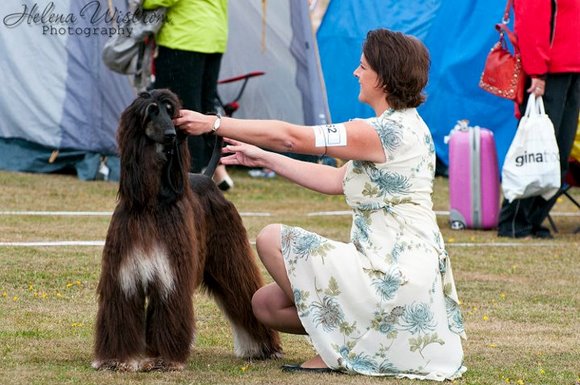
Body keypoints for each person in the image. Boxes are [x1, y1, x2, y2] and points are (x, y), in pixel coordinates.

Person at [175, 29, 466, 380]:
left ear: (383, 78)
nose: (356, 73)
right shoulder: (405, 128)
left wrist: (215, 123)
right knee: (264, 305)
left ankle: (336, 348)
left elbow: (292, 137)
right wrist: (265, 158)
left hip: (391, 272)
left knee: (271, 238)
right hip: (404, 274)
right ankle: (355, 339)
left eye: (362, 67)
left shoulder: (379, 132)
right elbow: (333, 181)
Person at [497, 0, 580, 238]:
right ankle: (513, 221)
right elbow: (532, 25)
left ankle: (532, 220)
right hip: (547, 75)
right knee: (535, 152)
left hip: (572, 71)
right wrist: (537, 72)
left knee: (559, 157)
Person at [142, 0, 234, 190]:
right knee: (206, 110)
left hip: (184, 37)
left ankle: (188, 178)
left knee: (180, 113)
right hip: (214, 35)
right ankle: (212, 170)